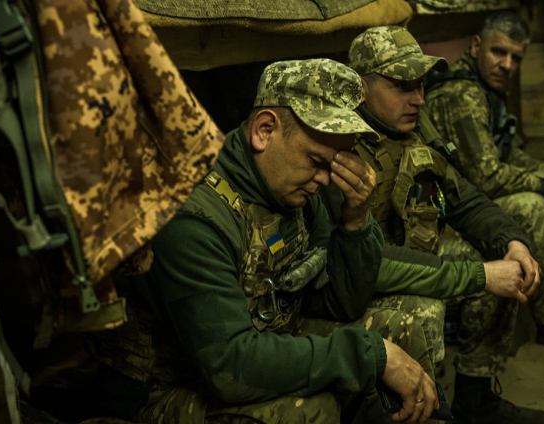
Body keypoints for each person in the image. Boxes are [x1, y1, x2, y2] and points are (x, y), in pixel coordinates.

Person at [78, 58, 444, 424]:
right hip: (167, 387)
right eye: (317, 160)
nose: (325, 179)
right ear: (264, 130)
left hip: (264, 338)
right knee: (308, 410)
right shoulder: (193, 215)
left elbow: (342, 304)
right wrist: (368, 357)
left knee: (401, 328)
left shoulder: (295, 191)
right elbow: (229, 367)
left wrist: (356, 221)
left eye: (334, 164)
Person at [336, 25, 544, 424]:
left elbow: (465, 199)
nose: (419, 99)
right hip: (366, 281)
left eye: (421, 85)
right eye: (403, 86)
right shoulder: (339, 150)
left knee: (499, 260)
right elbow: (368, 263)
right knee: (424, 308)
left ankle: (476, 392)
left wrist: (512, 243)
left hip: (415, 260)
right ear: (360, 89)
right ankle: (425, 408)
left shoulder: (415, 131)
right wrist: (478, 276)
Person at [424, 12, 544, 365]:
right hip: (450, 215)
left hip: (476, 199)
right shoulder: (461, 95)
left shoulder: (488, 89)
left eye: (516, 57)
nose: (507, 64)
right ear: (477, 46)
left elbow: (511, 155)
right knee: (532, 204)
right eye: (499, 52)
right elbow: (486, 178)